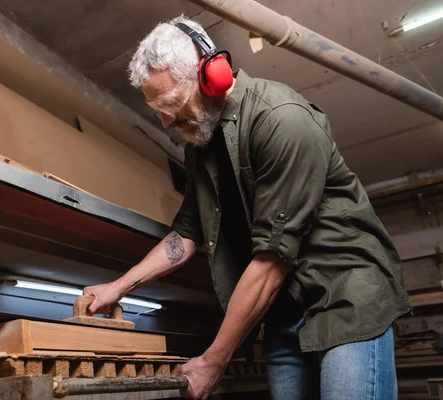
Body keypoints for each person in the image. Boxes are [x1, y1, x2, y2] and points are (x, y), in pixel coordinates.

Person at [84, 16, 410, 400]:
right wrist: (117, 287)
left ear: (212, 75)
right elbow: (188, 232)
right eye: (157, 108)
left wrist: (215, 359)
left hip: (345, 299)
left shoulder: (281, 119)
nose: (166, 120)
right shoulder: (200, 144)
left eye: (171, 103)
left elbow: (273, 257)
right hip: (282, 311)